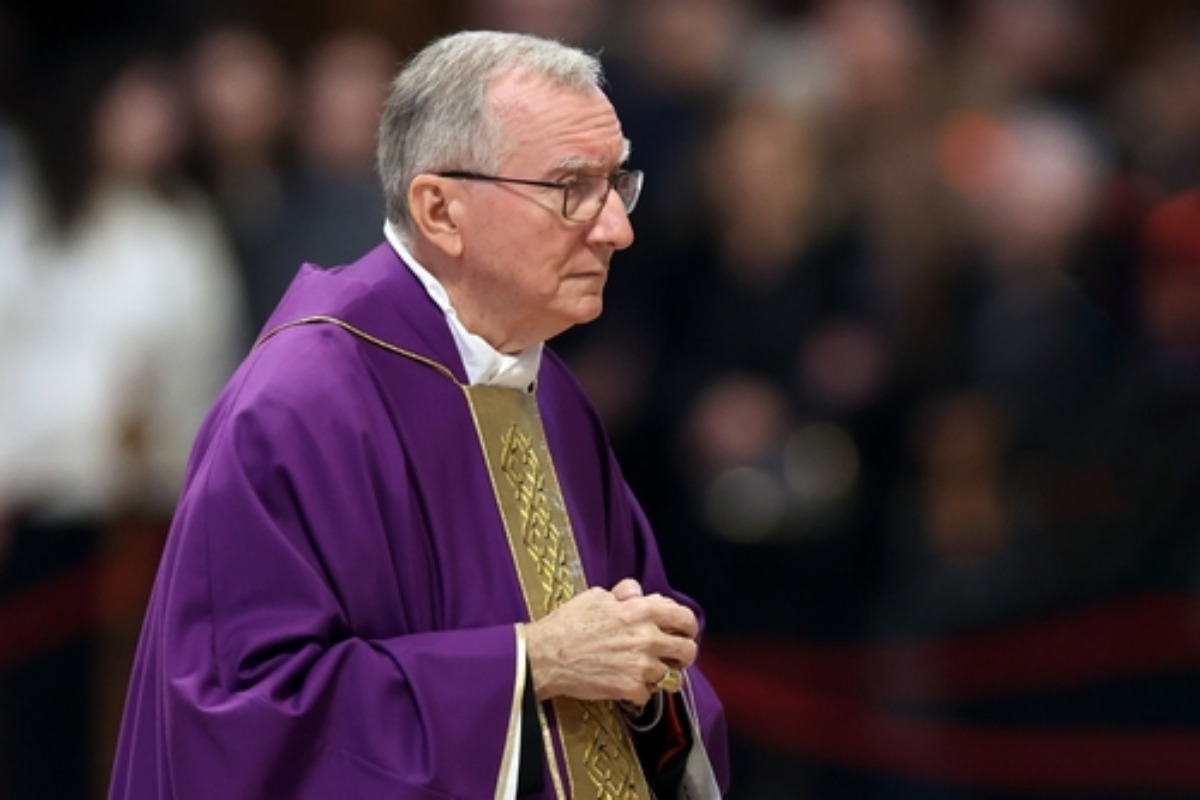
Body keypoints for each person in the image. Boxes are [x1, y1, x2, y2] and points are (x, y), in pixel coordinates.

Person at [109, 29, 730, 799]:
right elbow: (247, 714)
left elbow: (634, 666)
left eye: (616, 185)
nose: (617, 229)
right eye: (572, 188)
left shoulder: (552, 397)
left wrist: (648, 674)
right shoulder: (303, 404)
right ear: (440, 210)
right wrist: (529, 663)